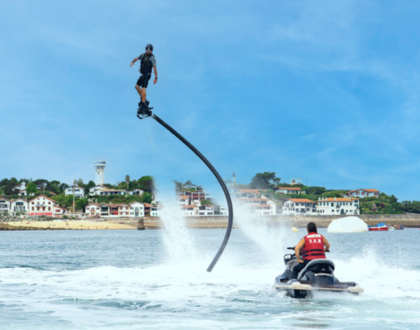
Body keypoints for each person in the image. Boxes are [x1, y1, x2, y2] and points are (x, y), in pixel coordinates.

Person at [130, 44, 158, 114]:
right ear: (146, 50)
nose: (148, 51)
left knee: (143, 88)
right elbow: (136, 58)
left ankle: (143, 104)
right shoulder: (143, 55)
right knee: (136, 86)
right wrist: (132, 62)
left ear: (151, 51)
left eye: (150, 50)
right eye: (147, 50)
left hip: (147, 74)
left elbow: (154, 69)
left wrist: (156, 78)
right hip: (143, 74)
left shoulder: (152, 58)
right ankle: (145, 101)